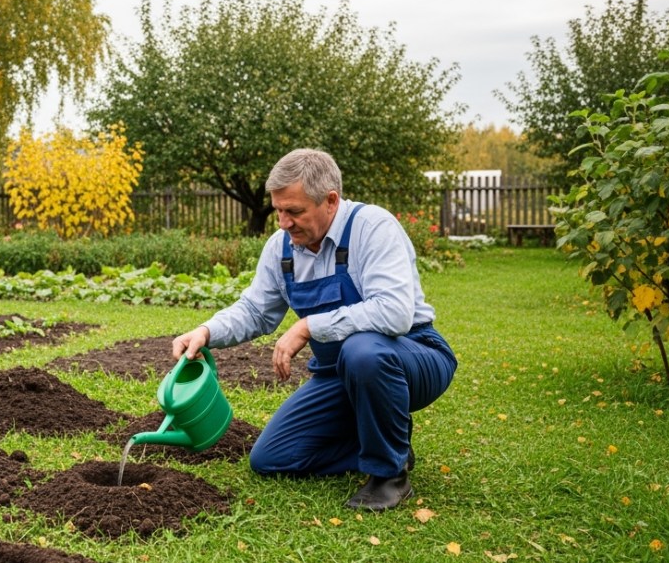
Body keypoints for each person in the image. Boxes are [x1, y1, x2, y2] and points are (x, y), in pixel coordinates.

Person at [172, 149, 457, 510]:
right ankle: (379, 442)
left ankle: (390, 473)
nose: (283, 223)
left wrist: (309, 325)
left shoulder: (372, 227)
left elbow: (396, 312)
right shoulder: (282, 248)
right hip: (338, 374)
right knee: (271, 458)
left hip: (413, 356)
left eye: (294, 211)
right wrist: (206, 331)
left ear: (331, 201)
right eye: (278, 211)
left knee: (362, 351)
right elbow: (256, 309)